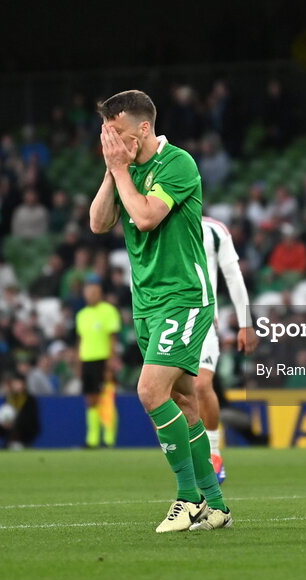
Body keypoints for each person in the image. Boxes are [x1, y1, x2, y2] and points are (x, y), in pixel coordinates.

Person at [89, 90, 229, 532]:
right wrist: (115, 172)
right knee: (183, 400)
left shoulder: (179, 164)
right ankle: (218, 505)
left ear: (143, 128)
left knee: (150, 392)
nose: (112, 141)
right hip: (147, 302)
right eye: (107, 133)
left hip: (184, 296)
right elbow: (97, 222)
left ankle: (188, 498)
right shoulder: (125, 168)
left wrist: (120, 171)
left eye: (118, 132)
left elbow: (147, 216)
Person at [196, 216, 259, 483]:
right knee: (167, 395)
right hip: (164, 321)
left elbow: (233, 276)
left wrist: (245, 323)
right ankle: (186, 457)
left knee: (200, 385)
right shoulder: (154, 221)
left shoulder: (214, 230)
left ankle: (212, 452)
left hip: (203, 321)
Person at [76, 281, 121, 448]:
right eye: (87, 292)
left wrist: (111, 362)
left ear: (100, 293)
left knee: (106, 399)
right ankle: (92, 439)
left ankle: (109, 439)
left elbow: (112, 339)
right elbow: (80, 340)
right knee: (90, 399)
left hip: (103, 359)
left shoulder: (108, 311)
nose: (90, 295)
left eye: (93, 292)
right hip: (87, 359)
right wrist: (79, 364)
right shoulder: (81, 314)